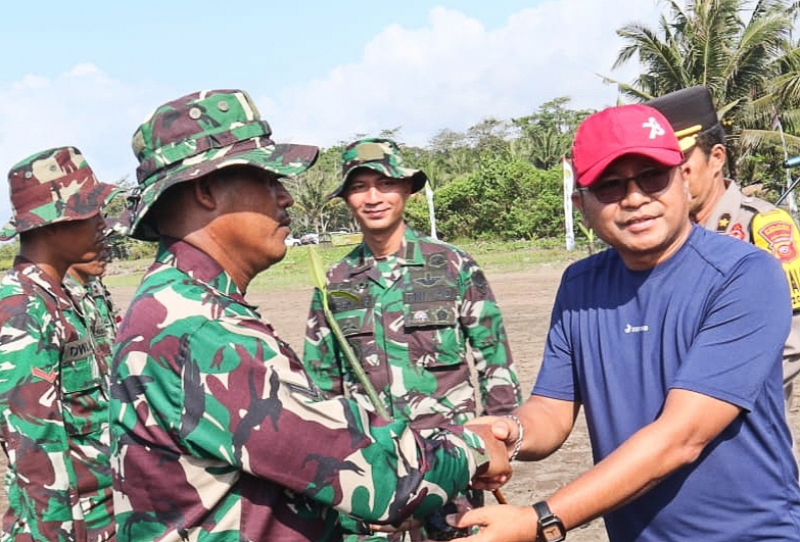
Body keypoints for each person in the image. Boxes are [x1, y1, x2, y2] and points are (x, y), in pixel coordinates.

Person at [110, 89, 510, 542]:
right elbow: (366, 472)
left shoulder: (182, 303)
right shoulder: (200, 327)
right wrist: (474, 448)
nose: (286, 198)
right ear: (205, 189)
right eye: (267, 179)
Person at [452, 104, 800, 542]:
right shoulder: (580, 284)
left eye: (652, 176)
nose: (635, 198)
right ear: (582, 204)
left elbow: (681, 437)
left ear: (682, 178)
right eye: (611, 186)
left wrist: (539, 520)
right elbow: (552, 410)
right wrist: (509, 433)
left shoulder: (745, 273)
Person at [302, 137, 522, 541]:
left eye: (385, 184)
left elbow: (494, 359)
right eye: (358, 187)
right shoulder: (334, 283)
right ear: (347, 199)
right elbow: (321, 384)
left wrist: (498, 442)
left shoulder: (452, 265)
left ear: (406, 188)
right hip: (370, 467)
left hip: (451, 459)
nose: (373, 197)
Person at [646, 85, 800, 405]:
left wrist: (706, 395)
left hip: (743, 424)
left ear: (716, 158)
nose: (670, 177)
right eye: (658, 167)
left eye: (680, 162)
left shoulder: (762, 226)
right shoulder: (653, 240)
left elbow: (793, 338)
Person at [0, 147, 117, 541]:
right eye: (89, 213)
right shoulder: (22, 306)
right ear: (51, 225)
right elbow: (35, 449)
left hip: (103, 512)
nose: (102, 224)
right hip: (67, 525)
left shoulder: (60, 297)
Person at [64, 247, 120, 381]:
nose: (105, 255)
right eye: (98, 246)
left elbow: (110, 323)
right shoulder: (59, 293)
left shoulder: (95, 284)